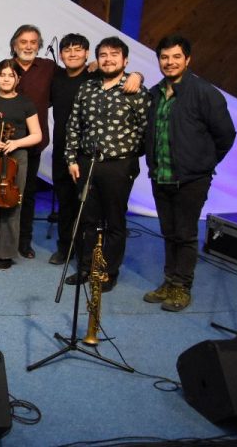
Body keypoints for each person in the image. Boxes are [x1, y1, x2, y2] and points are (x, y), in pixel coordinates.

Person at [0, 25, 141, 259]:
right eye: (23, 42)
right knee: (45, 197)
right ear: (14, 45)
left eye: (33, 42)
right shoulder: (5, 68)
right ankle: (52, 247)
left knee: (28, 195)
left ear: (39, 45)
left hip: (48, 144)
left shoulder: (50, 68)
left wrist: (137, 75)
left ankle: (25, 243)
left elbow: (113, 74)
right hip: (9, 142)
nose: (28, 46)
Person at [143, 35, 236, 311]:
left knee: (185, 233)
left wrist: (202, 163)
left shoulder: (204, 92)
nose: (169, 63)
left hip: (191, 179)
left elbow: (226, 135)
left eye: (176, 57)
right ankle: (169, 281)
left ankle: (182, 287)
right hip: (161, 175)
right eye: (164, 57)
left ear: (187, 59)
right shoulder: (155, 92)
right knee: (168, 231)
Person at [64, 37, 150, 292]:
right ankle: (86, 267)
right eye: (103, 54)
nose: (108, 59)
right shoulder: (87, 89)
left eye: (114, 54)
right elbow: (73, 125)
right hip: (86, 163)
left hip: (119, 166)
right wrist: (71, 159)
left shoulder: (137, 91)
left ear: (125, 60)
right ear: (97, 58)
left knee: (114, 221)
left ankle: (108, 271)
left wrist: (128, 158)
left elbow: (147, 132)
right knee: (86, 219)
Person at [0, 60, 42, 269]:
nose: (6, 78)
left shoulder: (26, 103)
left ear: (17, 79)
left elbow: (37, 135)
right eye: (2, 75)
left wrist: (15, 143)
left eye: (10, 75)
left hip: (16, 158)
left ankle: (6, 252)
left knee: (12, 204)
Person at [48, 33, 92, 265]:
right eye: (67, 50)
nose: (72, 54)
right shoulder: (56, 78)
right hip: (61, 149)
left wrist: (138, 73)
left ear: (87, 53)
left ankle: (87, 253)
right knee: (65, 202)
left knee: (87, 204)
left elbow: (124, 77)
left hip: (87, 153)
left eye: (78, 49)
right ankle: (65, 248)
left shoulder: (95, 77)